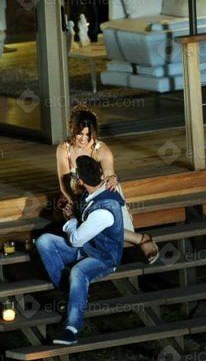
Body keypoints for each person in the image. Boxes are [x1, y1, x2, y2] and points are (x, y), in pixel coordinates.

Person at [37, 156, 125, 345]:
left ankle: (72, 329)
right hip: (86, 247)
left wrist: (70, 219)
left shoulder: (104, 210)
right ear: (101, 174)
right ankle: (69, 294)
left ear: (81, 180)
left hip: (104, 257)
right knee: (44, 241)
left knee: (78, 272)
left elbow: (75, 239)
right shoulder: (92, 192)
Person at [57, 105, 159, 264]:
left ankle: (139, 240)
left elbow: (108, 178)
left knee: (104, 213)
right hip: (75, 194)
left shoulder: (101, 149)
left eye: (88, 135)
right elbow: (63, 182)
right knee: (76, 215)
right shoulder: (64, 149)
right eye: (80, 133)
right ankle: (139, 240)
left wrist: (112, 178)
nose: (84, 139)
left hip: (100, 193)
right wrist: (72, 200)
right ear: (73, 129)